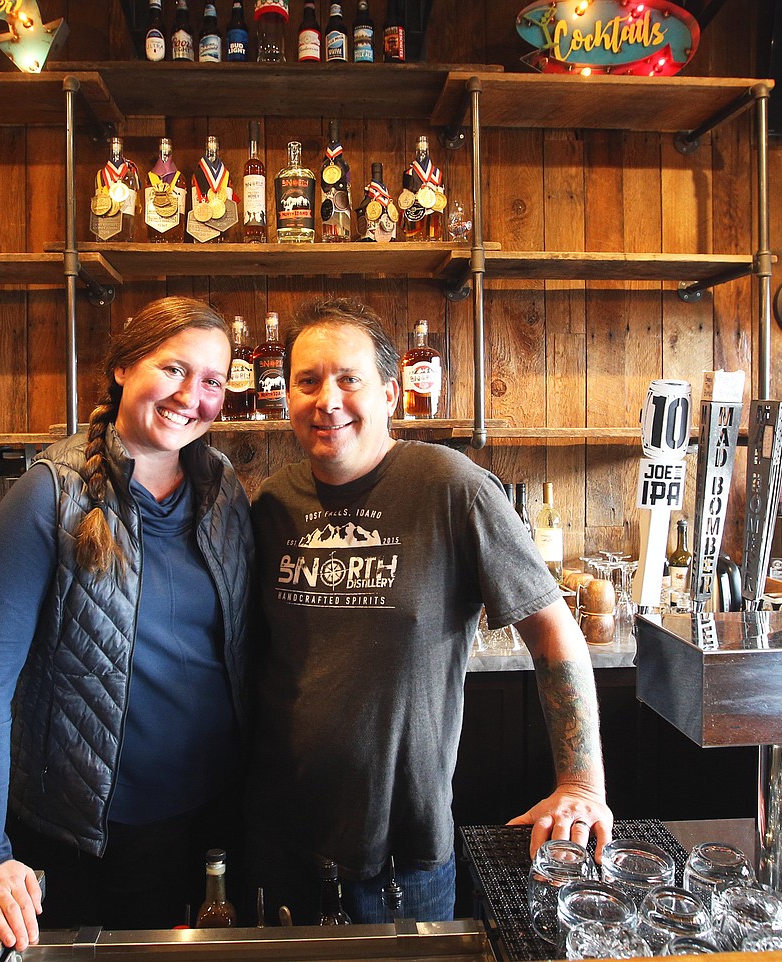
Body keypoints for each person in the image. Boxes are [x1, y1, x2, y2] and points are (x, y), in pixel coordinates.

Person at [245, 297, 612, 924]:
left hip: (400, 858)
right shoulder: (274, 502)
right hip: (280, 844)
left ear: (390, 393)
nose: (326, 399)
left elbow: (555, 635)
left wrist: (582, 785)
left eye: (348, 379)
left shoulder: (451, 486)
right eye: (307, 381)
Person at [0, 296, 253, 949]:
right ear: (122, 368)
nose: (190, 396)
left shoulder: (222, 488)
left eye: (212, 381)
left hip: (210, 822)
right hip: (95, 834)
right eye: (173, 369)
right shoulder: (49, 494)